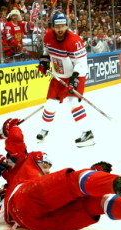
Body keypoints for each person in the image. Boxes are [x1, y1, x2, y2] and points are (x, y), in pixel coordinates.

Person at [0, 118, 121, 230]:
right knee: (72, 180)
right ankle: (117, 183)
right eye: (46, 165)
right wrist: (12, 128)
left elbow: (60, 192)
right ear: (38, 159)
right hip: (23, 201)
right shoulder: (24, 162)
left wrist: (97, 170)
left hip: (39, 225)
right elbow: (15, 141)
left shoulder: (39, 180)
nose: (49, 170)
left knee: (95, 204)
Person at [36, 12, 93, 147]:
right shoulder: (48, 36)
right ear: (53, 26)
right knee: (50, 104)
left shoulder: (74, 41)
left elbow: (81, 63)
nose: (60, 29)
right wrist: (44, 61)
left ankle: (87, 132)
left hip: (75, 75)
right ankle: (44, 129)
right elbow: (46, 51)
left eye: (63, 26)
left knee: (73, 102)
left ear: (67, 26)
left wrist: (75, 79)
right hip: (58, 75)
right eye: (57, 26)